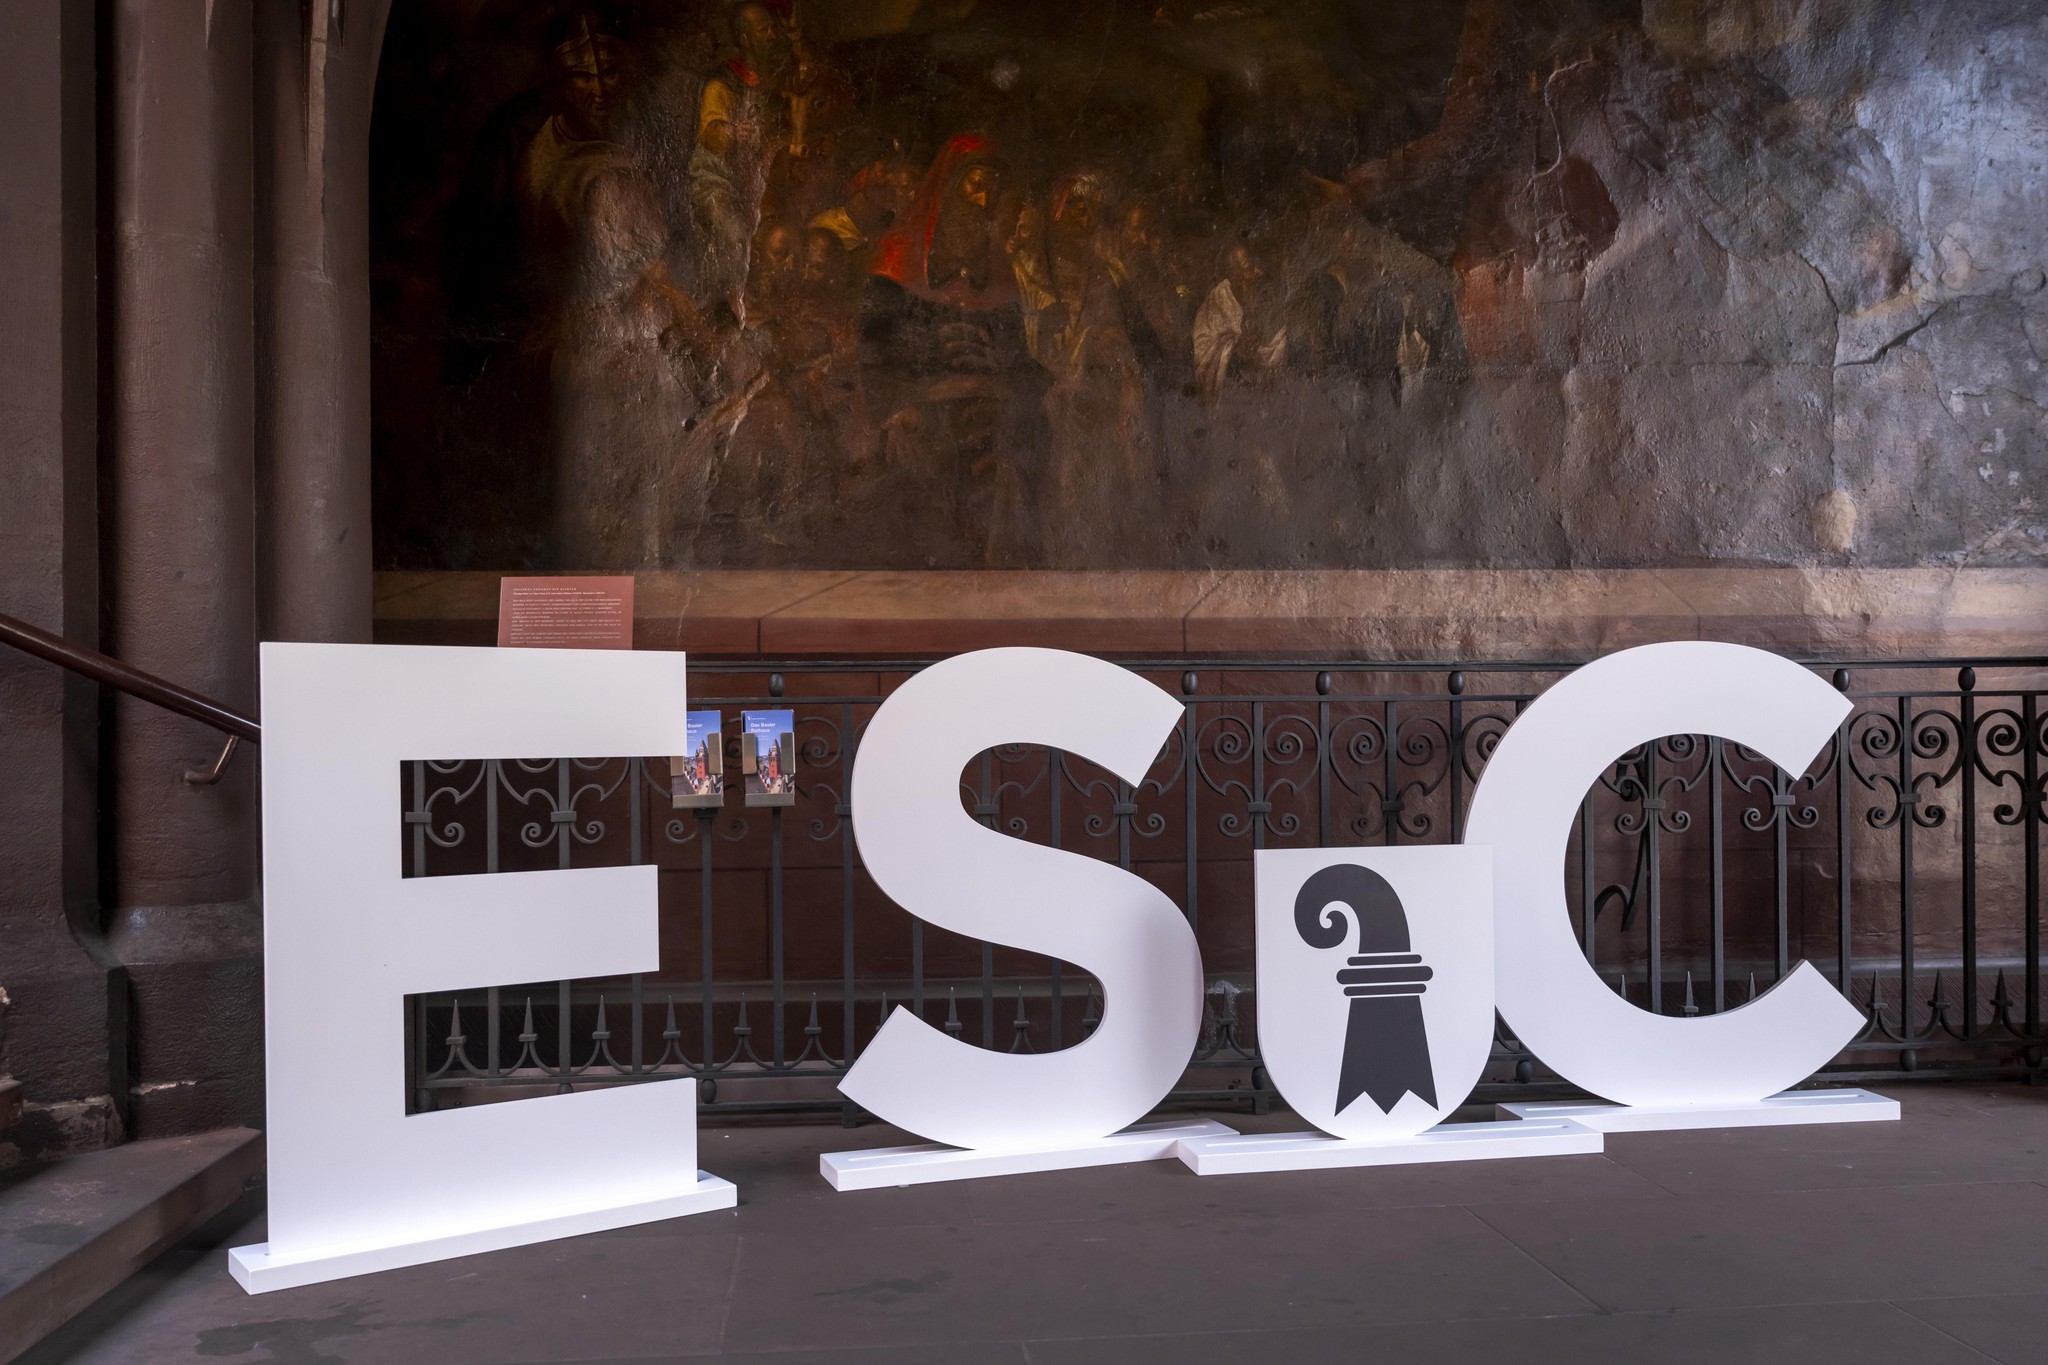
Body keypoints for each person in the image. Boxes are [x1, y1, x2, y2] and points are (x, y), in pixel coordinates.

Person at [860, 134, 1044, 564]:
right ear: (947, 190)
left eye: (992, 192)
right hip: (922, 412)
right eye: (974, 185)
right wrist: (900, 405)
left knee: (1018, 458)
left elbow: (1018, 360)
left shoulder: (999, 275)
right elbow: (877, 357)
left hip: (992, 416)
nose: (983, 201)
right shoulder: (894, 261)